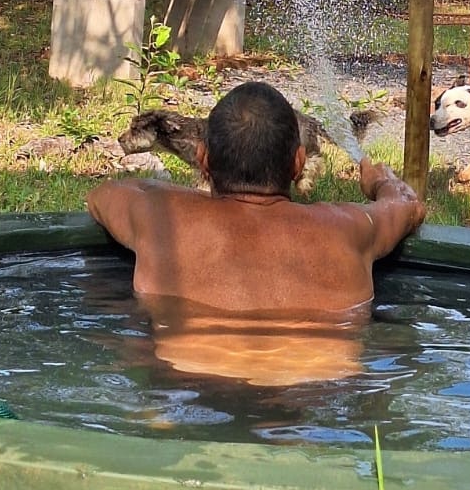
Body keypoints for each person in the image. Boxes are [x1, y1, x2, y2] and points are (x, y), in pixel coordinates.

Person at [86, 81, 425, 318]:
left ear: (203, 160)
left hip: (190, 385)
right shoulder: (350, 227)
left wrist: (187, 202)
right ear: (298, 163)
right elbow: (409, 204)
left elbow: (101, 196)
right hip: (317, 392)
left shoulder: (158, 218)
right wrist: (381, 181)